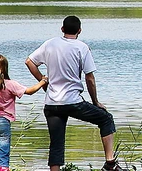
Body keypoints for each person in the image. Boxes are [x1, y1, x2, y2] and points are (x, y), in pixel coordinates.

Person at [26, 15, 119, 171]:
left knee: (56, 144)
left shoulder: (50, 44)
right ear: (80, 31)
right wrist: (95, 102)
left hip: (51, 103)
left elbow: (29, 62)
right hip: (73, 102)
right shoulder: (82, 47)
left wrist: (43, 80)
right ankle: (110, 164)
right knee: (106, 119)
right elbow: (90, 78)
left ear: (62, 29)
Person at [0, 54, 48, 171]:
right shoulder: (10, 84)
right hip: (4, 122)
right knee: (3, 155)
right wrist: (43, 81)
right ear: (5, 68)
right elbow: (29, 91)